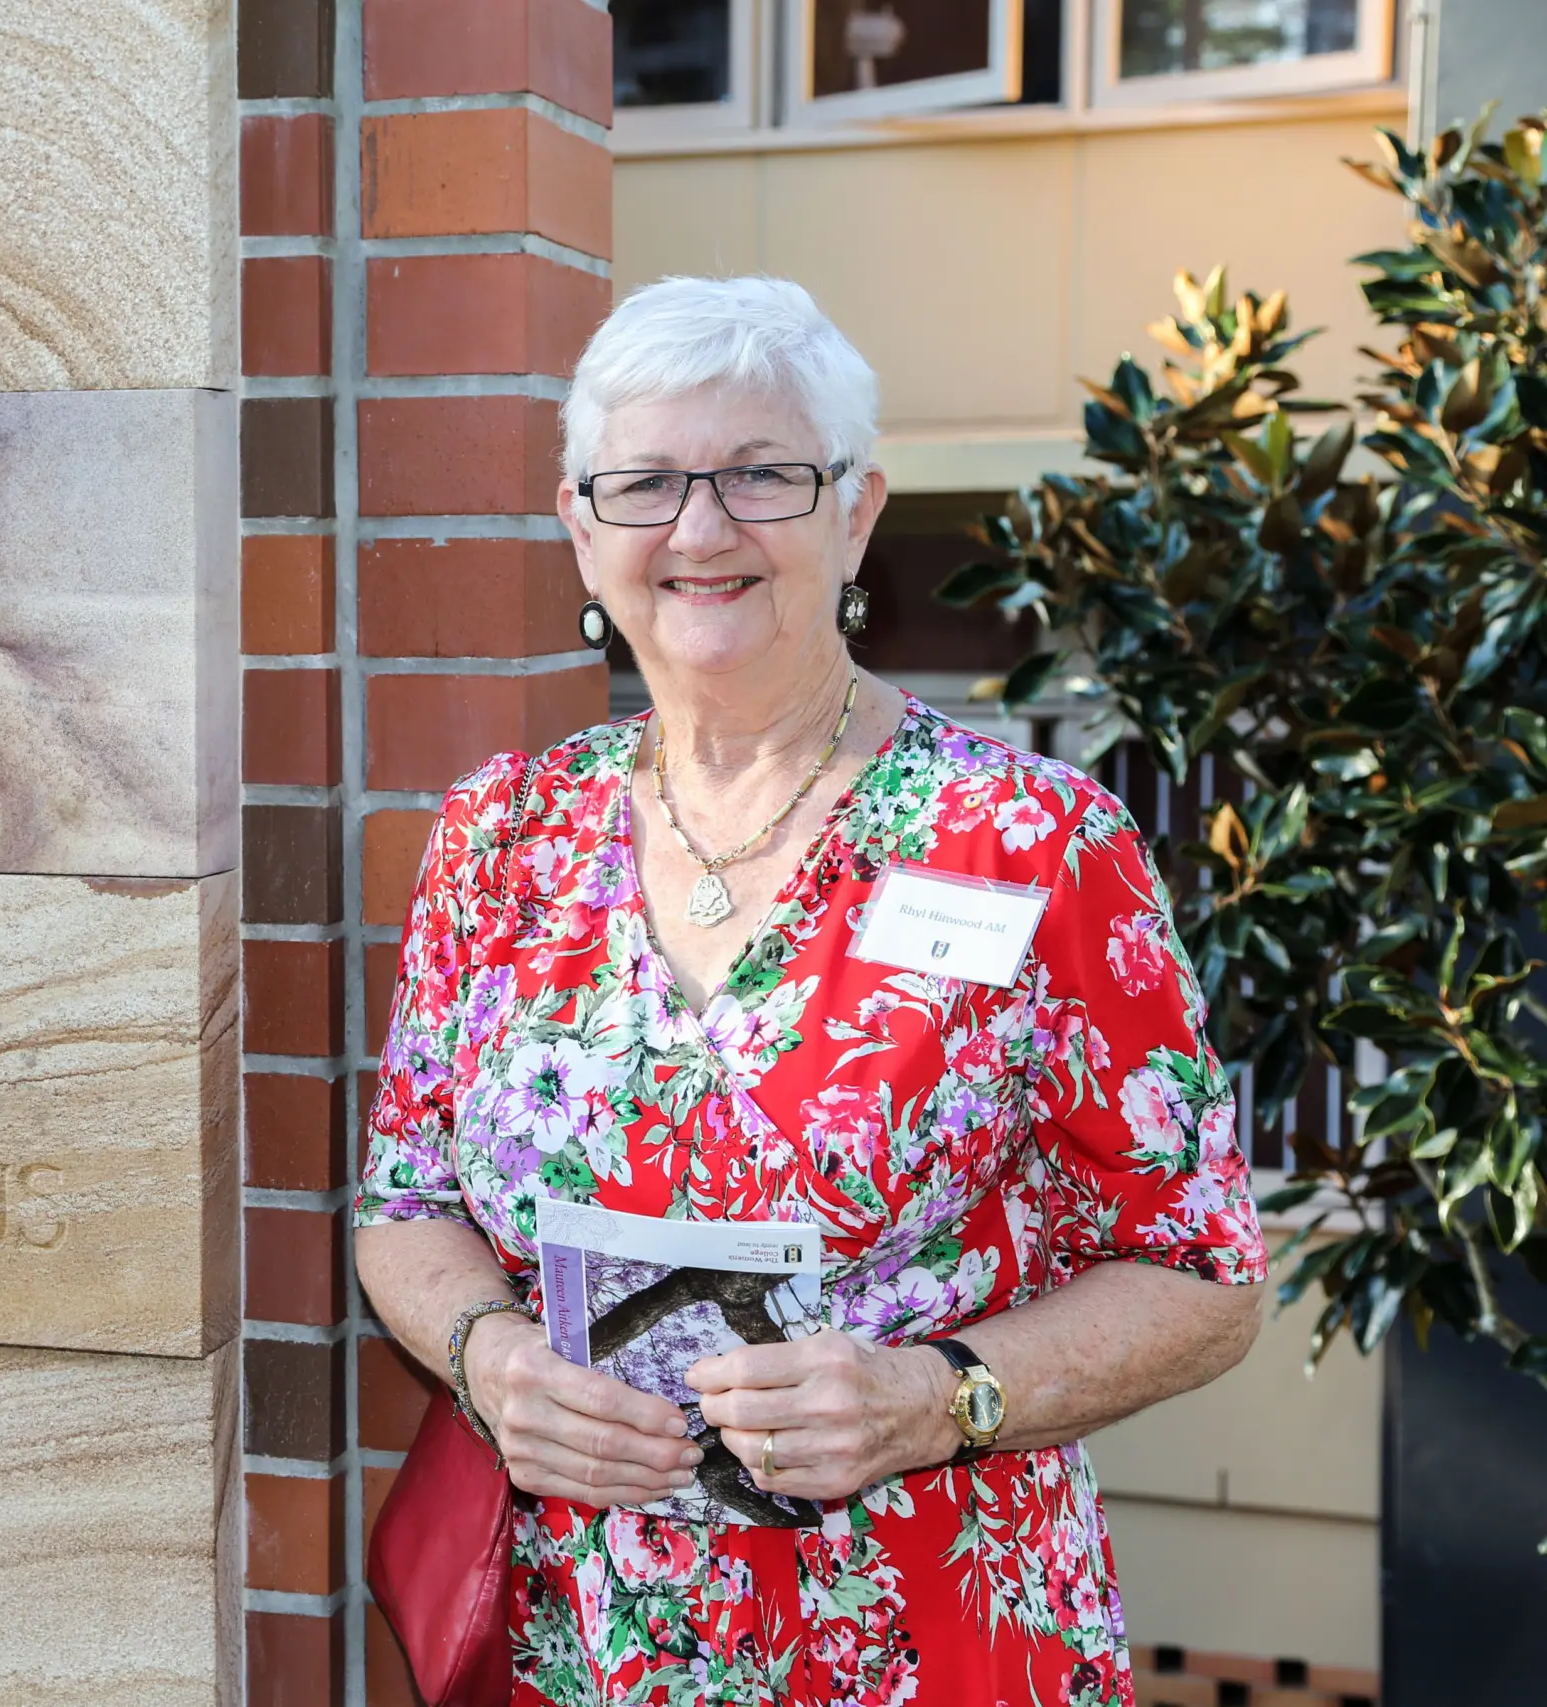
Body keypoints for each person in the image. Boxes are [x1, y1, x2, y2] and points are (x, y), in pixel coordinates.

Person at [353, 275, 1267, 1707]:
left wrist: (939, 1395)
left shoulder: (1033, 842)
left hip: (928, 1634)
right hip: (580, 1642)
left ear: (856, 511)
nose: (701, 530)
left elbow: (1203, 1274)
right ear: (582, 527)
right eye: (646, 482)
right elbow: (407, 1202)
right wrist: (490, 1359)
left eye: (762, 474)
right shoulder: (500, 838)